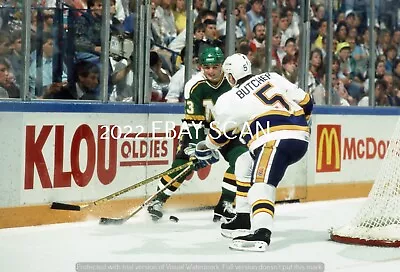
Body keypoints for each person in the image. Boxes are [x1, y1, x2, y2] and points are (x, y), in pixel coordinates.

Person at [193, 53, 313, 252]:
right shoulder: (272, 76)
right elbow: (307, 102)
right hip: (299, 134)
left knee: (261, 185)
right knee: (243, 163)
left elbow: (219, 137)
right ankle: (243, 218)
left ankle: (261, 233)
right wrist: (298, 127)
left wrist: (203, 148)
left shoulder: (228, 98)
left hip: (273, 139)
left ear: (230, 76)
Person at [147, 47, 248, 222]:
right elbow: (194, 121)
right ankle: (158, 200)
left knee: (242, 160)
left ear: (222, 66)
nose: (211, 71)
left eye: (215, 67)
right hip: (197, 129)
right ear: (201, 67)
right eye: (206, 67)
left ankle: (224, 205)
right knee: (183, 166)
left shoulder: (233, 82)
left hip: (226, 129)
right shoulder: (194, 85)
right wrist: (198, 147)